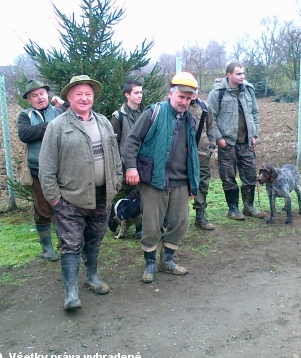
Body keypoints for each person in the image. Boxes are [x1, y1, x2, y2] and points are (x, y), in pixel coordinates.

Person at [39, 75, 122, 310]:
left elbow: (115, 157)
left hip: (101, 197)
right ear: (69, 97)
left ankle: (92, 277)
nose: (84, 98)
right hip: (70, 199)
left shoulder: (104, 122)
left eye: (88, 94)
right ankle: (71, 293)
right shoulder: (57, 126)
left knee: (94, 240)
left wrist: (115, 184)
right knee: (71, 244)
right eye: (79, 94)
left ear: (93, 97)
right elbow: (46, 167)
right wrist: (55, 199)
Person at [124, 72, 200, 283]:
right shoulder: (153, 113)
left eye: (188, 98)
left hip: (180, 182)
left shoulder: (190, 121)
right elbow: (131, 141)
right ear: (170, 94)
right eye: (181, 97)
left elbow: (192, 153)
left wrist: (194, 183)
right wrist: (131, 167)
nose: (184, 102)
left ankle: (167, 261)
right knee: (150, 225)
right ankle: (150, 264)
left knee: (181, 222)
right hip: (154, 180)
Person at [208, 62, 264, 220]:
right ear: (229, 75)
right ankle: (233, 209)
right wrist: (219, 138)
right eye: (239, 74)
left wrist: (254, 134)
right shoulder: (217, 93)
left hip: (246, 142)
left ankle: (249, 206)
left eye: (243, 73)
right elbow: (211, 118)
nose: (242, 76)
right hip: (228, 143)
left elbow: (254, 113)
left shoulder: (248, 90)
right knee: (228, 176)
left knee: (250, 174)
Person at [18, 79, 67, 261]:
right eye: (34, 96)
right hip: (38, 170)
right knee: (43, 209)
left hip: (64, 168)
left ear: (47, 94)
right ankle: (46, 247)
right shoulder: (25, 115)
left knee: (66, 208)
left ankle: (65, 242)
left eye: (42, 94)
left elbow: (79, 114)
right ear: (29, 100)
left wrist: (64, 104)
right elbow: (25, 134)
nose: (39, 98)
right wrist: (50, 127)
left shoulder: (59, 110)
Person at [109, 79, 145, 238]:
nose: (140, 95)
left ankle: (146, 225)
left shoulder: (147, 112)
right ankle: (138, 228)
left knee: (147, 195)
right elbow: (113, 143)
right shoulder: (118, 117)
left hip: (146, 162)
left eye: (141, 92)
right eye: (136, 92)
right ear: (127, 95)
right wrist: (121, 165)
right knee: (133, 197)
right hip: (127, 165)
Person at [188, 88, 216, 230]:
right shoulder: (179, 105)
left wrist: (211, 145)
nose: (194, 92)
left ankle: (200, 216)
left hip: (202, 153)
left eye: (196, 89)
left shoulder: (204, 106)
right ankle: (174, 219)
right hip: (182, 153)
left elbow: (211, 126)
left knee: (203, 182)